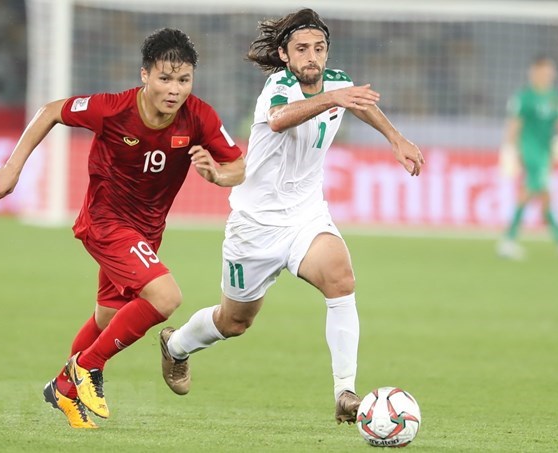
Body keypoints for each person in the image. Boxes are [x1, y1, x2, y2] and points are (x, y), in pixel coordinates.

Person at [158, 8, 424, 425]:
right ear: (284, 54)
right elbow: (280, 120)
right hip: (255, 225)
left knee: (341, 277)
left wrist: (396, 138)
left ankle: (345, 392)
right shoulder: (277, 87)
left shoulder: (336, 83)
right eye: (302, 49)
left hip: (305, 216)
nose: (312, 57)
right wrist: (333, 99)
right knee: (234, 322)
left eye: (319, 48)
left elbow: (357, 104)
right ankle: (176, 347)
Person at [0, 28, 245, 428]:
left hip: (147, 232)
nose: (174, 89)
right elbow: (53, 110)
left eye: (183, 80)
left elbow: (238, 166)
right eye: (165, 78)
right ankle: (87, 367)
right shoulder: (111, 109)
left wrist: (216, 175)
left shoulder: (200, 116)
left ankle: (61, 388)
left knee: (110, 318)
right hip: (106, 222)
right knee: (165, 297)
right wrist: (12, 166)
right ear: (145, 75)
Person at [497, 56, 558, 259]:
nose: (547, 75)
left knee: (541, 195)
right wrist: (508, 148)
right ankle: (513, 240)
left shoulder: (555, 97)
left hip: (545, 152)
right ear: (533, 73)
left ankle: (513, 240)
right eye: (543, 71)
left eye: (550, 72)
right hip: (530, 151)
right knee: (536, 192)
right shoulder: (525, 97)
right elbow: (514, 124)